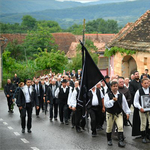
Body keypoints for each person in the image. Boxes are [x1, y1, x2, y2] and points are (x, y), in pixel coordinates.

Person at [104, 81, 131, 147]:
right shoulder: (108, 95)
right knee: (109, 127)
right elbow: (106, 104)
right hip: (110, 113)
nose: (115, 87)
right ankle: (109, 140)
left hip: (118, 113)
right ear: (111, 87)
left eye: (116, 86)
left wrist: (127, 113)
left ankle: (120, 141)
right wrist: (112, 100)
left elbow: (125, 105)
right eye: (114, 86)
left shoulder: (121, 95)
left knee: (120, 126)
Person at [133, 78, 150, 143]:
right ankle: (143, 136)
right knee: (143, 123)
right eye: (145, 83)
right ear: (142, 84)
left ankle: (148, 135)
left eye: (147, 83)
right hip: (142, 110)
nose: (146, 84)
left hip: (149, 110)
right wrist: (140, 108)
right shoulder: (139, 91)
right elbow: (135, 102)